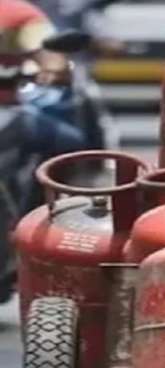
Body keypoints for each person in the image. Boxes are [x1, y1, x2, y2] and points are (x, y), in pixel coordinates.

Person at [0, 0, 86, 303]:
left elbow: (47, 50)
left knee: (72, 144)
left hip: (10, 113)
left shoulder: (15, 14)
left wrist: (54, 67)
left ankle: (40, 220)